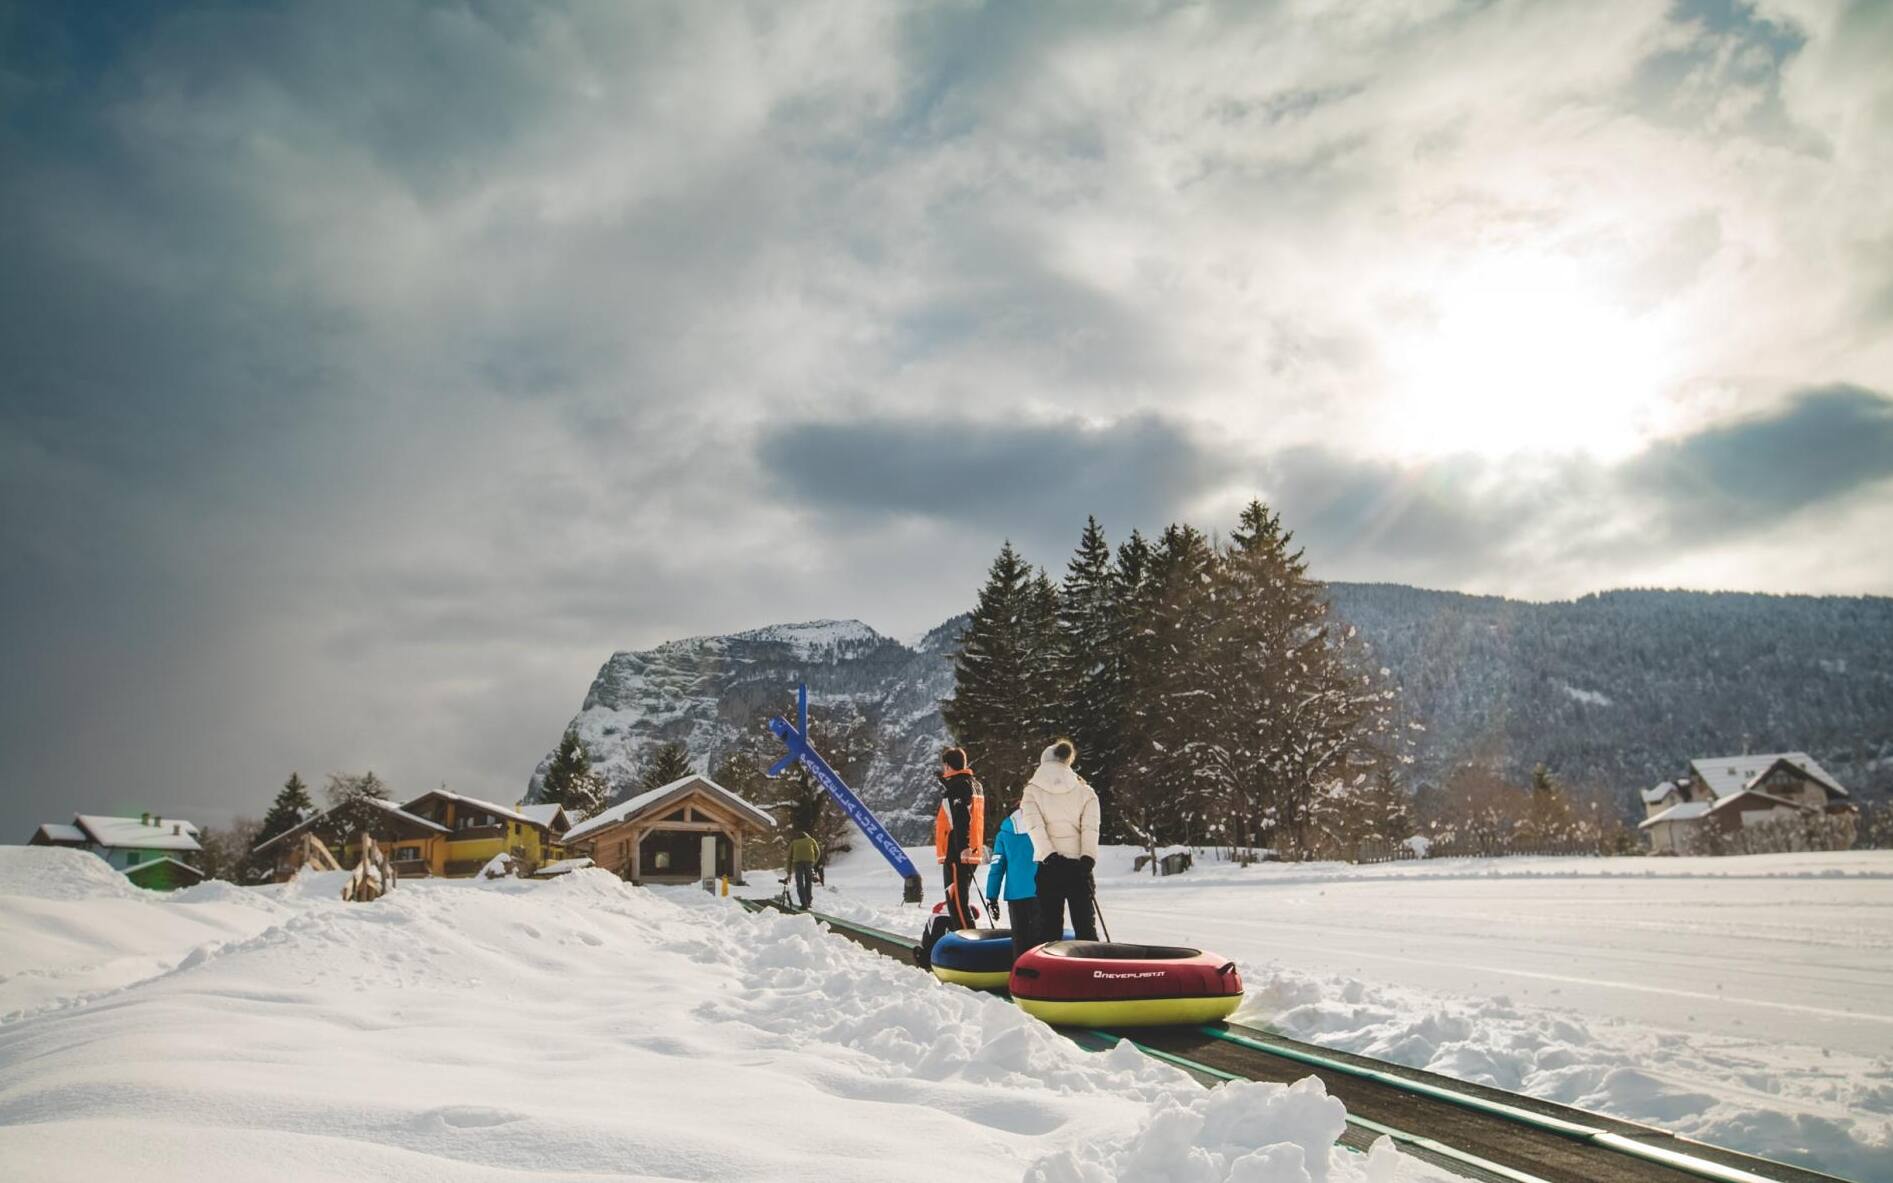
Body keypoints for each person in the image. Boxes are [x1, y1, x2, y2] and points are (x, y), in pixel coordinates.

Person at [1019, 738, 1099, 944]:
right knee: (1085, 928)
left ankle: (1049, 972)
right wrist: (1087, 858)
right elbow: (1090, 828)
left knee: (1049, 929)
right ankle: (1093, 969)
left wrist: (1049, 855)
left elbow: (1034, 827)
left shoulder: (1031, 791)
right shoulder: (1086, 791)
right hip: (1079, 866)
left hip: (1050, 867)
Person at [933, 746, 985, 929]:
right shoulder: (973, 785)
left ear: (947, 765)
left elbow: (962, 817)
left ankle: (969, 944)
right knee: (959, 901)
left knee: (957, 904)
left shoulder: (957, 788)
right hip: (972, 850)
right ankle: (966, 940)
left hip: (957, 852)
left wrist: (962, 846)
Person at [986, 808, 1040, 965]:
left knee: (1020, 939)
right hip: (1041, 892)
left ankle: (1020, 978)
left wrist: (992, 897)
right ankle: (1043, 977)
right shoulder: (1041, 829)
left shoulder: (1004, 834)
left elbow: (996, 867)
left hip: (1015, 896)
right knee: (1041, 939)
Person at [787, 830, 821, 909]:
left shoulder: (794, 842)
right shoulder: (811, 840)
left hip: (798, 863)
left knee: (800, 884)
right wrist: (813, 863)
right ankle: (809, 902)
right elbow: (818, 853)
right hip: (809, 862)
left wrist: (789, 873)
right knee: (808, 882)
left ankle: (804, 903)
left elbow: (789, 858)